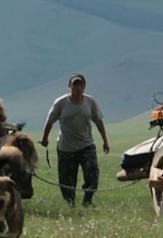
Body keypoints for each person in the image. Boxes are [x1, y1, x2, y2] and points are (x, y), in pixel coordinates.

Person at [39, 73, 110, 207]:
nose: (78, 87)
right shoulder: (61, 103)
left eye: (80, 84)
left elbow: (99, 121)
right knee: (67, 180)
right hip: (66, 148)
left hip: (86, 145)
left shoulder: (90, 102)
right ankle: (70, 203)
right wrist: (44, 139)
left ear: (84, 86)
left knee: (92, 173)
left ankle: (87, 201)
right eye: (75, 84)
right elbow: (50, 121)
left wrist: (105, 141)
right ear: (69, 86)